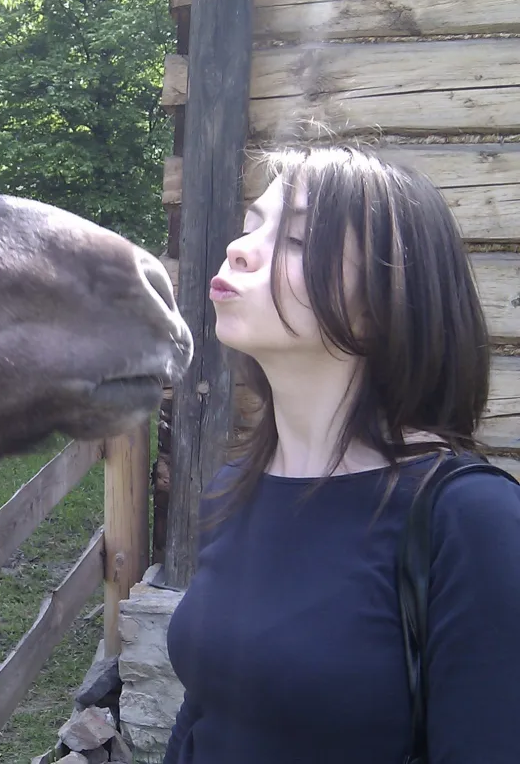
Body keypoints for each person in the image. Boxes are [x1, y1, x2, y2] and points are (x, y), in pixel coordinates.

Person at [161, 145, 520, 763]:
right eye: (250, 228)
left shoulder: (473, 521)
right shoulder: (234, 485)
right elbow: (206, 711)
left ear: (387, 301)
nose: (239, 250)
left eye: (297, 240)